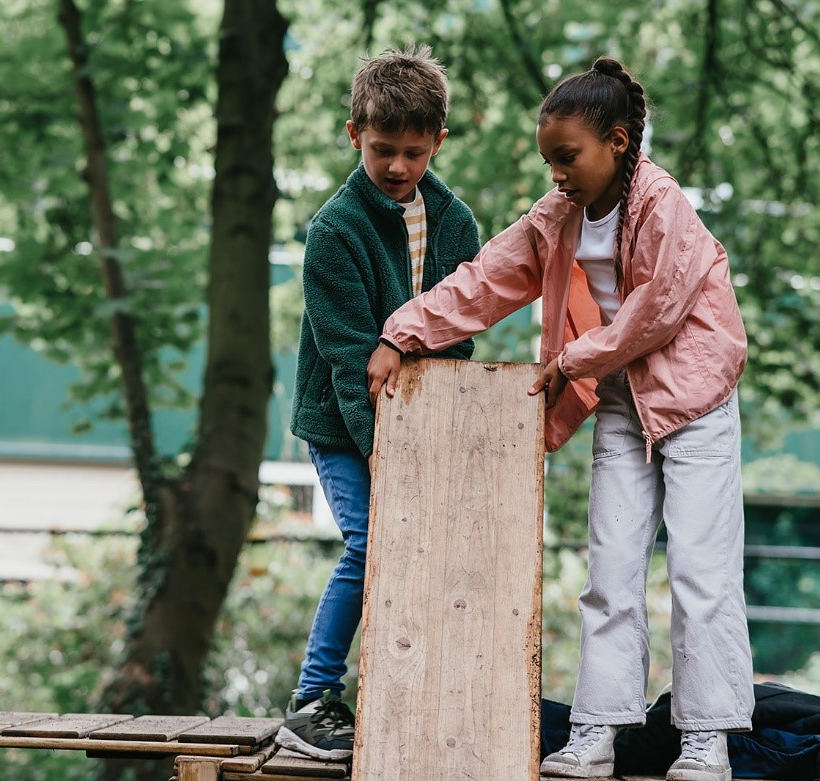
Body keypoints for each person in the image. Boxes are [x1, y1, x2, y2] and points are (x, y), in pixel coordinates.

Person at [367, 57, 754, 781]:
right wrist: (400, 333)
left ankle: (706, 738)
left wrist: (577, 357)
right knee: (608, 570)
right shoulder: (559, 215)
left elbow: (657, 308)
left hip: (695, 404)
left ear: (615, 141)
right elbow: (481, 281)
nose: (557, 174)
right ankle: (596, 729)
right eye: (548, 160)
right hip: (618, 403)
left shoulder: (661, 203)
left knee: (701, 574)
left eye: (567, 157)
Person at [277, 44, 481, 761]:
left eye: (414, 153)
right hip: (343, 425)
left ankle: (406, 690)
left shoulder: (456, 225)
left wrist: (431, 439)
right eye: (382, 150)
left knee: (420, 553)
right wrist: (383, 453)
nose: (397, 166)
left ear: (437, 144)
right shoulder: (332, 233)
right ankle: (308, 700)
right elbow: (345, 360)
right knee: (370, 543)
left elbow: (456, 339)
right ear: (353, 134)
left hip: (418, 426)